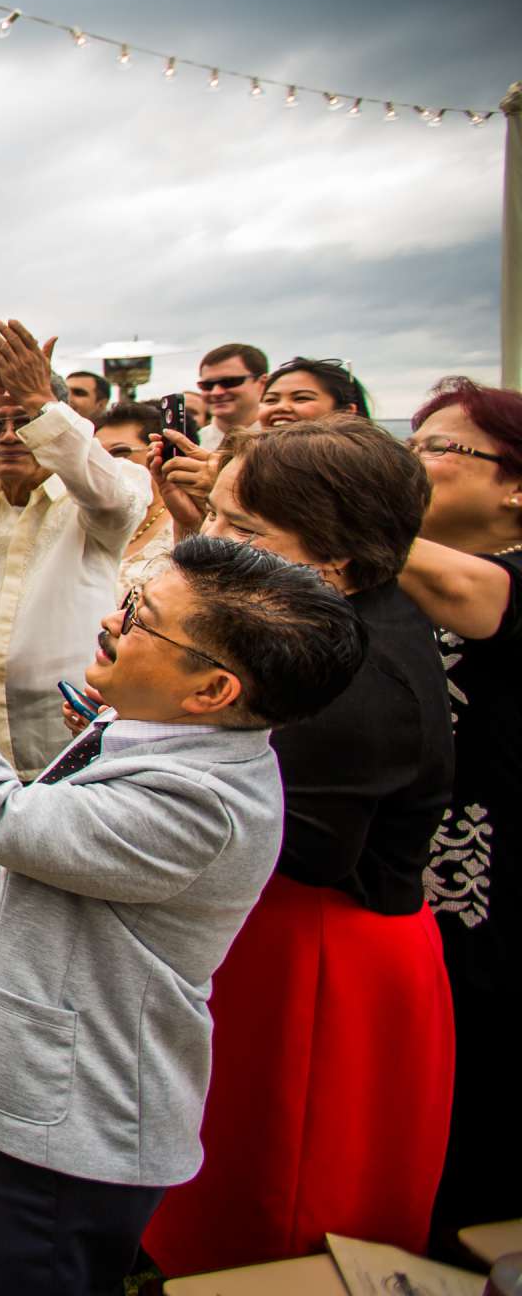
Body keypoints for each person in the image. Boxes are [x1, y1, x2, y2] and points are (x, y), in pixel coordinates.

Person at [0, 537, 366, 1296]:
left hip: (71, 1119)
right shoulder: (167, 734)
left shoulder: (200, 801)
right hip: (37, 1079)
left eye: (141, 619)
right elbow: (56, 855)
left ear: (212, 691)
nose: (112, 620)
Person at [142, 419, 456, 1274]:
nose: (213, 542)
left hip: (318, 954)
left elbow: (296, 841)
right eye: (218, 515)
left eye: (244, 531)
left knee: (283, 1199)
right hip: (271, 928)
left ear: (341, 559)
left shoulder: (360, 672)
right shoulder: (322, 623)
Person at [0, 321, 151, 885]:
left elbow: (111, 496)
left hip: (64, 762)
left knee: (38, 922)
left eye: (26, 424)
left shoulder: (105, 493)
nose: (9, 437)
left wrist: (39, 400)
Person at [394, 377, 522, 1257]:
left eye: (445, 446)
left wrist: (327, 504)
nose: (418, 459)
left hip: (497, 891)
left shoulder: (496, 579)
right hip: (403, 884)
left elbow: (476, 602)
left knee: (487, 1086)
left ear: (515, 484)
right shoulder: (398, 579)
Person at [95, 402, 177, 600]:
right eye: (96, 456)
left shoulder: (183, 525)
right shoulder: (79, 518)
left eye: (120, 453)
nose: (106, 464)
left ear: (158, 452)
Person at [256, 356, 369, 428]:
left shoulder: (366, 464)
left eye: (301, 398)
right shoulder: (245, 462)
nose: (281, 407)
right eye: (270, 400)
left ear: (346, 413)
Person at [195, 342, 268, 446]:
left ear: (262, 383)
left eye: (229, 381)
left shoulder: (289, 444)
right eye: (207, 385)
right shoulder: (190, 446)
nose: (216, 392)